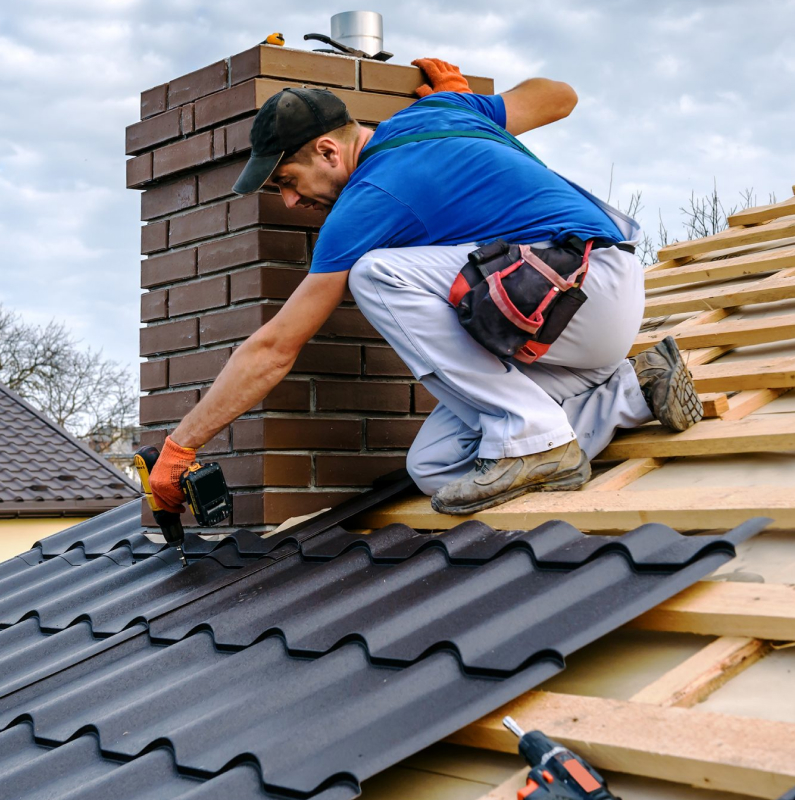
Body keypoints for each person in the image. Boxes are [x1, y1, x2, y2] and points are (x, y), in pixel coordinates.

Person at [149, 58, 702, 516]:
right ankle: (633, 389)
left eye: (287, 182)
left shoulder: (367, 200)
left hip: (582, 285)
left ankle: (536, 436)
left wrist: (182, 445)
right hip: (571, 322)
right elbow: (560, 95)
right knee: (436, 466)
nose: (291, 203)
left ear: (327, 151)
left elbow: (275, 347)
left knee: (377, 273)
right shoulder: (445, 109)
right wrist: (475, 109)